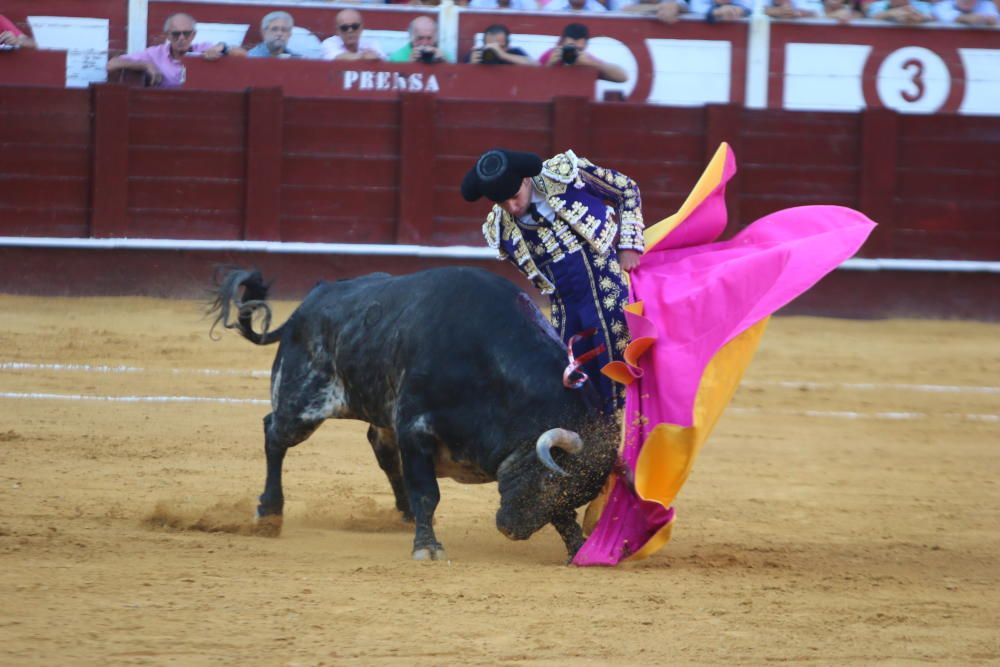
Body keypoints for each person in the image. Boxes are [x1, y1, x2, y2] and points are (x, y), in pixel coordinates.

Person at [461, 148, 645, 415]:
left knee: (621, 364)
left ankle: (632, 441)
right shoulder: (499, 228)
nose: (511, 207)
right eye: (502, 203)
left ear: (525, 180)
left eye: (514, 197)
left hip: (607, 285)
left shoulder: (564, 175)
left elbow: (626, 189)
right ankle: (596, 447)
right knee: (573, 377)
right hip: (564, 306)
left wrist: (630, 245)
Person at [106, 13, 244, 87]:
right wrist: (146, 65)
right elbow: (112, 64)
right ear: (167, 35)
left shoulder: (204, 49)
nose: (182, 38)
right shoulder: (155, 54)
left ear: (193, 35)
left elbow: (243, 55)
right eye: (176, 34)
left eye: (187, 33)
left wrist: (223, 47)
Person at [539, 23, 626, 83]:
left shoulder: (586, 60)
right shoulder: (551, 55)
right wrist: (549, 66)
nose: (573, 52)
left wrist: (592, 64)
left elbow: (622, 77)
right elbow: (535, 82)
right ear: (561, 43)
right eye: (570, 48)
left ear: (585, 47)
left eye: (578, 49)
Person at [464, 24, 537, 66]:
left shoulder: (515, 52)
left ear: (508, 45)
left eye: (500, 46)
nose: (494, 49)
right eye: (490, 46)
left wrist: (503, 54)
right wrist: (471, 64)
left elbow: (536, 66)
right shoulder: (477, 54)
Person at [932, 0, 999, 24]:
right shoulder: (943, 5)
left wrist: (986, 19)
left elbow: (994, 19)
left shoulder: (986, 5)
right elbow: (947, 16)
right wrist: (966, 18)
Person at [864, 0, 934, 23]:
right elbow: (869, 18)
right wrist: (890, 13)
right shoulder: (877, 5)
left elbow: (930, 17)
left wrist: (919, 17)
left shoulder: (922, 5)